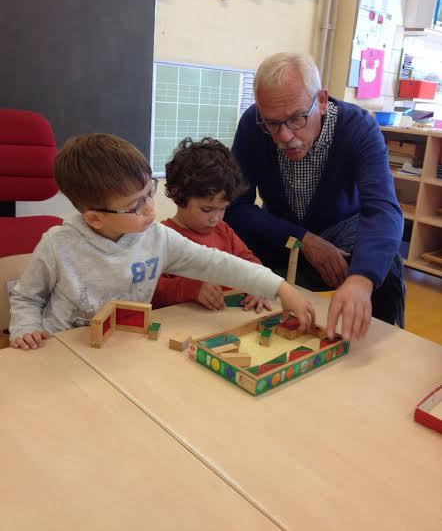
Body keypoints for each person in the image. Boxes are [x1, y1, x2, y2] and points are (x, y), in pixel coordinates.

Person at [9, 133, 314, 350]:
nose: (151, 209)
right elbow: (26, 297)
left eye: (149, 193)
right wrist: (27, 329)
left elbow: (217, 263)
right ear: (94, 219)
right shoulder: (57, 245)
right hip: (63, 350)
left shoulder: (158, 238)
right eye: (136, 206)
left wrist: (280, 287)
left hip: (123, 348)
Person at [225, 52, 405, 341]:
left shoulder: (358, 127)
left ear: (321, 100)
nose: (283, 136)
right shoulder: (252, 124)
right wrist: (303, 238)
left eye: (296, 118)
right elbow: (235, 207)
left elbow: (384, 210)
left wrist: (362, 278)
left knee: (384, 260)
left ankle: (375, 342)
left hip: (343, 239)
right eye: (271, 123)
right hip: (285, 236)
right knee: (227, 236)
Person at [153, 137, 271, 312]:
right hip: (181, 327)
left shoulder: (223, 231)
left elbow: (249, 262)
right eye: (207, 210)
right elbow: (151, 290)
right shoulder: (161, 237)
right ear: (178, 195)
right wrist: (190, 288)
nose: (215, 219)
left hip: (223, 324)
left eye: (223, 208)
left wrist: (258, 284)